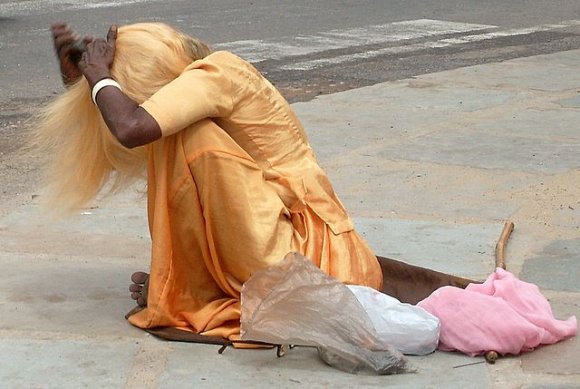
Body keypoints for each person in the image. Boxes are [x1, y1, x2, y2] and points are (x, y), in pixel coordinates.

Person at [40, 22, 472, 342]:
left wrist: (99, 76)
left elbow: (131, 128)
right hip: (305, 254)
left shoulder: (217, 74)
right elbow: (123, 133)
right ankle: (192, 287)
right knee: (171, 143)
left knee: (189, 140)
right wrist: (82, 78)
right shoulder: (200, 85)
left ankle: (193, 291)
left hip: (306, 260)